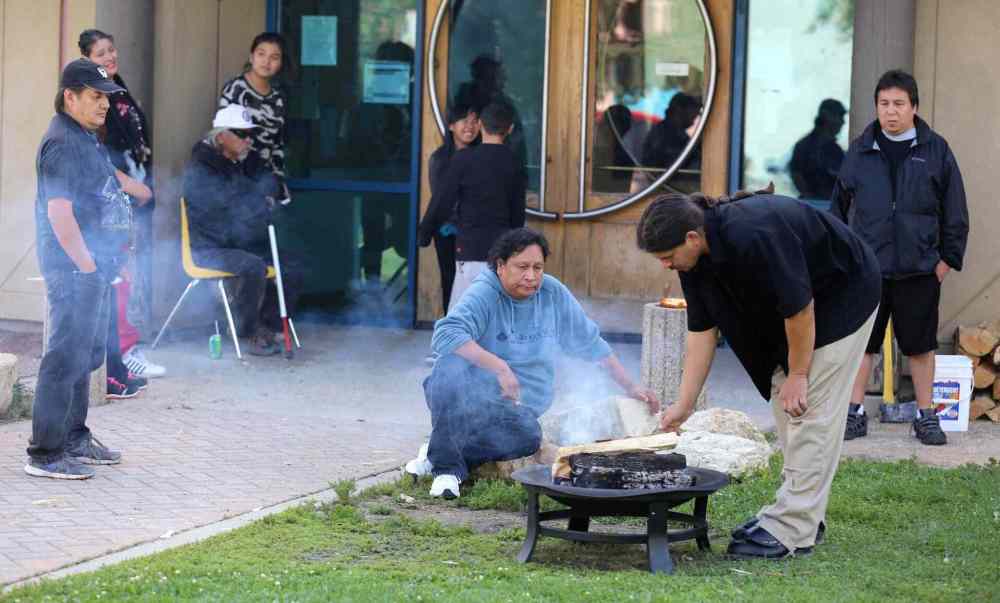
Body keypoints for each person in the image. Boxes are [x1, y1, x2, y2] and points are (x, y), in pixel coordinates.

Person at [636, 188, 881, 559]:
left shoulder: (754, 233)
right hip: (796, 315)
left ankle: (791, 528)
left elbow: (800, 309)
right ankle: (802, 514)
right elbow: (701, 333)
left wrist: (799, 373)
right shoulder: (693, 260)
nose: (666, 266)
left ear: (691, 236)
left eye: (668, 257)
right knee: (789, 408)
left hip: (843, 297)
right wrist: (684, 406)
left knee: (808, 408)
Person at [406, 228, 659, 499]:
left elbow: (592, 344)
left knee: (527, 438)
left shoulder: (552, 293)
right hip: (474, 399)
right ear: (501, 267)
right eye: (522, 267)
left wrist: (631, 386)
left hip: (518, 410)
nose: (531, 276)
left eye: (538, 267)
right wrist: (500, 368)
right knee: (448, 367)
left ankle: (438, 452)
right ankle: (448, 471)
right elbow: (446, 334)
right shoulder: (484, 292)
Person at [27, 59, 152, 480]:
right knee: (64, 357)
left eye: (107, 97)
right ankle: (44, 453)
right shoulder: (61, 142)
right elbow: (60, 213)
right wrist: (85, 266)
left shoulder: (84, 136)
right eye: (96, 96)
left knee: (85, 355)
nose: (104, 104)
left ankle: (75, 438)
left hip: (93, 267)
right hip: (73, 269)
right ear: (70, 97)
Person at [832, 70, 968, 445]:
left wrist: (946, 262)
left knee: (921, 347)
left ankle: (926, 417)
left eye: (899, 104)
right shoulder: (859, 152)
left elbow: (955, 211)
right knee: (863, 345)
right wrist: (842, 262)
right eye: (884, 104)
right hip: (867, 271)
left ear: (914, 107)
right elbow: (837, 211)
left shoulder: (936, 150)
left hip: (919, 270)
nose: (890, 112)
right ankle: (853, 412)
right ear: (876, 107)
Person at [78, 29, 168, 383]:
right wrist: (131, 185)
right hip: (111, 205)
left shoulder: (118, 88)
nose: (110, 57)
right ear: (87, 59)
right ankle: (123, 354)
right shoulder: (92, 98)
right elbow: (95, 155)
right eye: (101, 54)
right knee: (119, 276)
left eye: (112, 50)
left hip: (134, 201)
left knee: (131, 276)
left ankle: (127, 350)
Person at [182, 105, 303, 356]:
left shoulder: (238, 160)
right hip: (209, 246)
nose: (249, 140)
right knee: (253, 266)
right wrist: (257, 201)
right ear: (221, 135)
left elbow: (268, 183)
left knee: (289, 263)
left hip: (237, 241)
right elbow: (223, 207)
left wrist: (266, 194)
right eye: (242, 133)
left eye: (251, 134)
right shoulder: (202, 167)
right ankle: (247, 331)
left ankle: (271, 325)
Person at [424, 100, 526, 309]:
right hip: (502, 252)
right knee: (497, 314)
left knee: (463, 317)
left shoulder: (464, 159)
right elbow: (517, 214)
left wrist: (425, 232)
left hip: (469, 249)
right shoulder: (515, 162)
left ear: (480, 125)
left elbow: (442, 201)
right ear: (510, 129)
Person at [418, 103, 482, 315]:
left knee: (477, 285)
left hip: (476, 232)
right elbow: (441, 199)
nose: (470, 127)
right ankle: (451, 331)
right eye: (465, 121)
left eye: (475, 122)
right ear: (452, 126)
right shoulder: (440, 159)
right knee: (451, 281)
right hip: (448, 232)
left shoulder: (482, 156)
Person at [219, 32, 290, 204]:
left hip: (264, 183)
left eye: (274, 57)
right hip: (236, 178)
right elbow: (224, 135)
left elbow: (277, 144)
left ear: (280, 63)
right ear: (251, 57)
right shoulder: (236, 88)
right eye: (261, 54)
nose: (266, 62)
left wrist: (277, 180)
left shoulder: (278, 98)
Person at [789, 98, 847, 199]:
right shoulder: (804, 147)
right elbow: (796, 174)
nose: (842, 122)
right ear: (826, 116)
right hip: (811, 207)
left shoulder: (836, 151)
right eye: (839, 116)